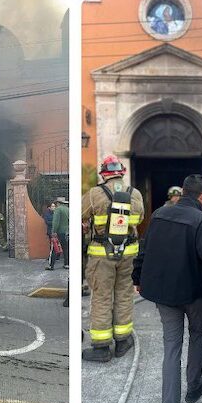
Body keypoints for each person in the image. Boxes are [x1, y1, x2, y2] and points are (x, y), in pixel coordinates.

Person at [132, 174, 202, 403]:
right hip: (194, 294)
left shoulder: (159, 215)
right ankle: (194, 386)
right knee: (197, 336)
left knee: (171, 348)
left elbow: (145, 248)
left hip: (165, 294)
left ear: (183, 192)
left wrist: (137, 277)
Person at [81, 155, 144, 362]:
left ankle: (101, 347)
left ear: (104, 174)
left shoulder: (94, 194)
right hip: (128, 254)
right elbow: (140, 218)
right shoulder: (134, 194)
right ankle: (123, 341)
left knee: (101, 297)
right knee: (124, 295)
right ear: (121, 172)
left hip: (101, 255)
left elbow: (81, 214)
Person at [44, 202, 58, 270]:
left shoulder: (57, 213)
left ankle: (56, 257)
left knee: (57, 246)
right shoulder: (47, 214)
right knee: (52, 246)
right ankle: (51, 259)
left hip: (57, 231)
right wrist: (54, 222)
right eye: (52, 206)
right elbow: (47, 222)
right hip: (51, 232)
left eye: (54, 206)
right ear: (49, 207)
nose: (53, 207)